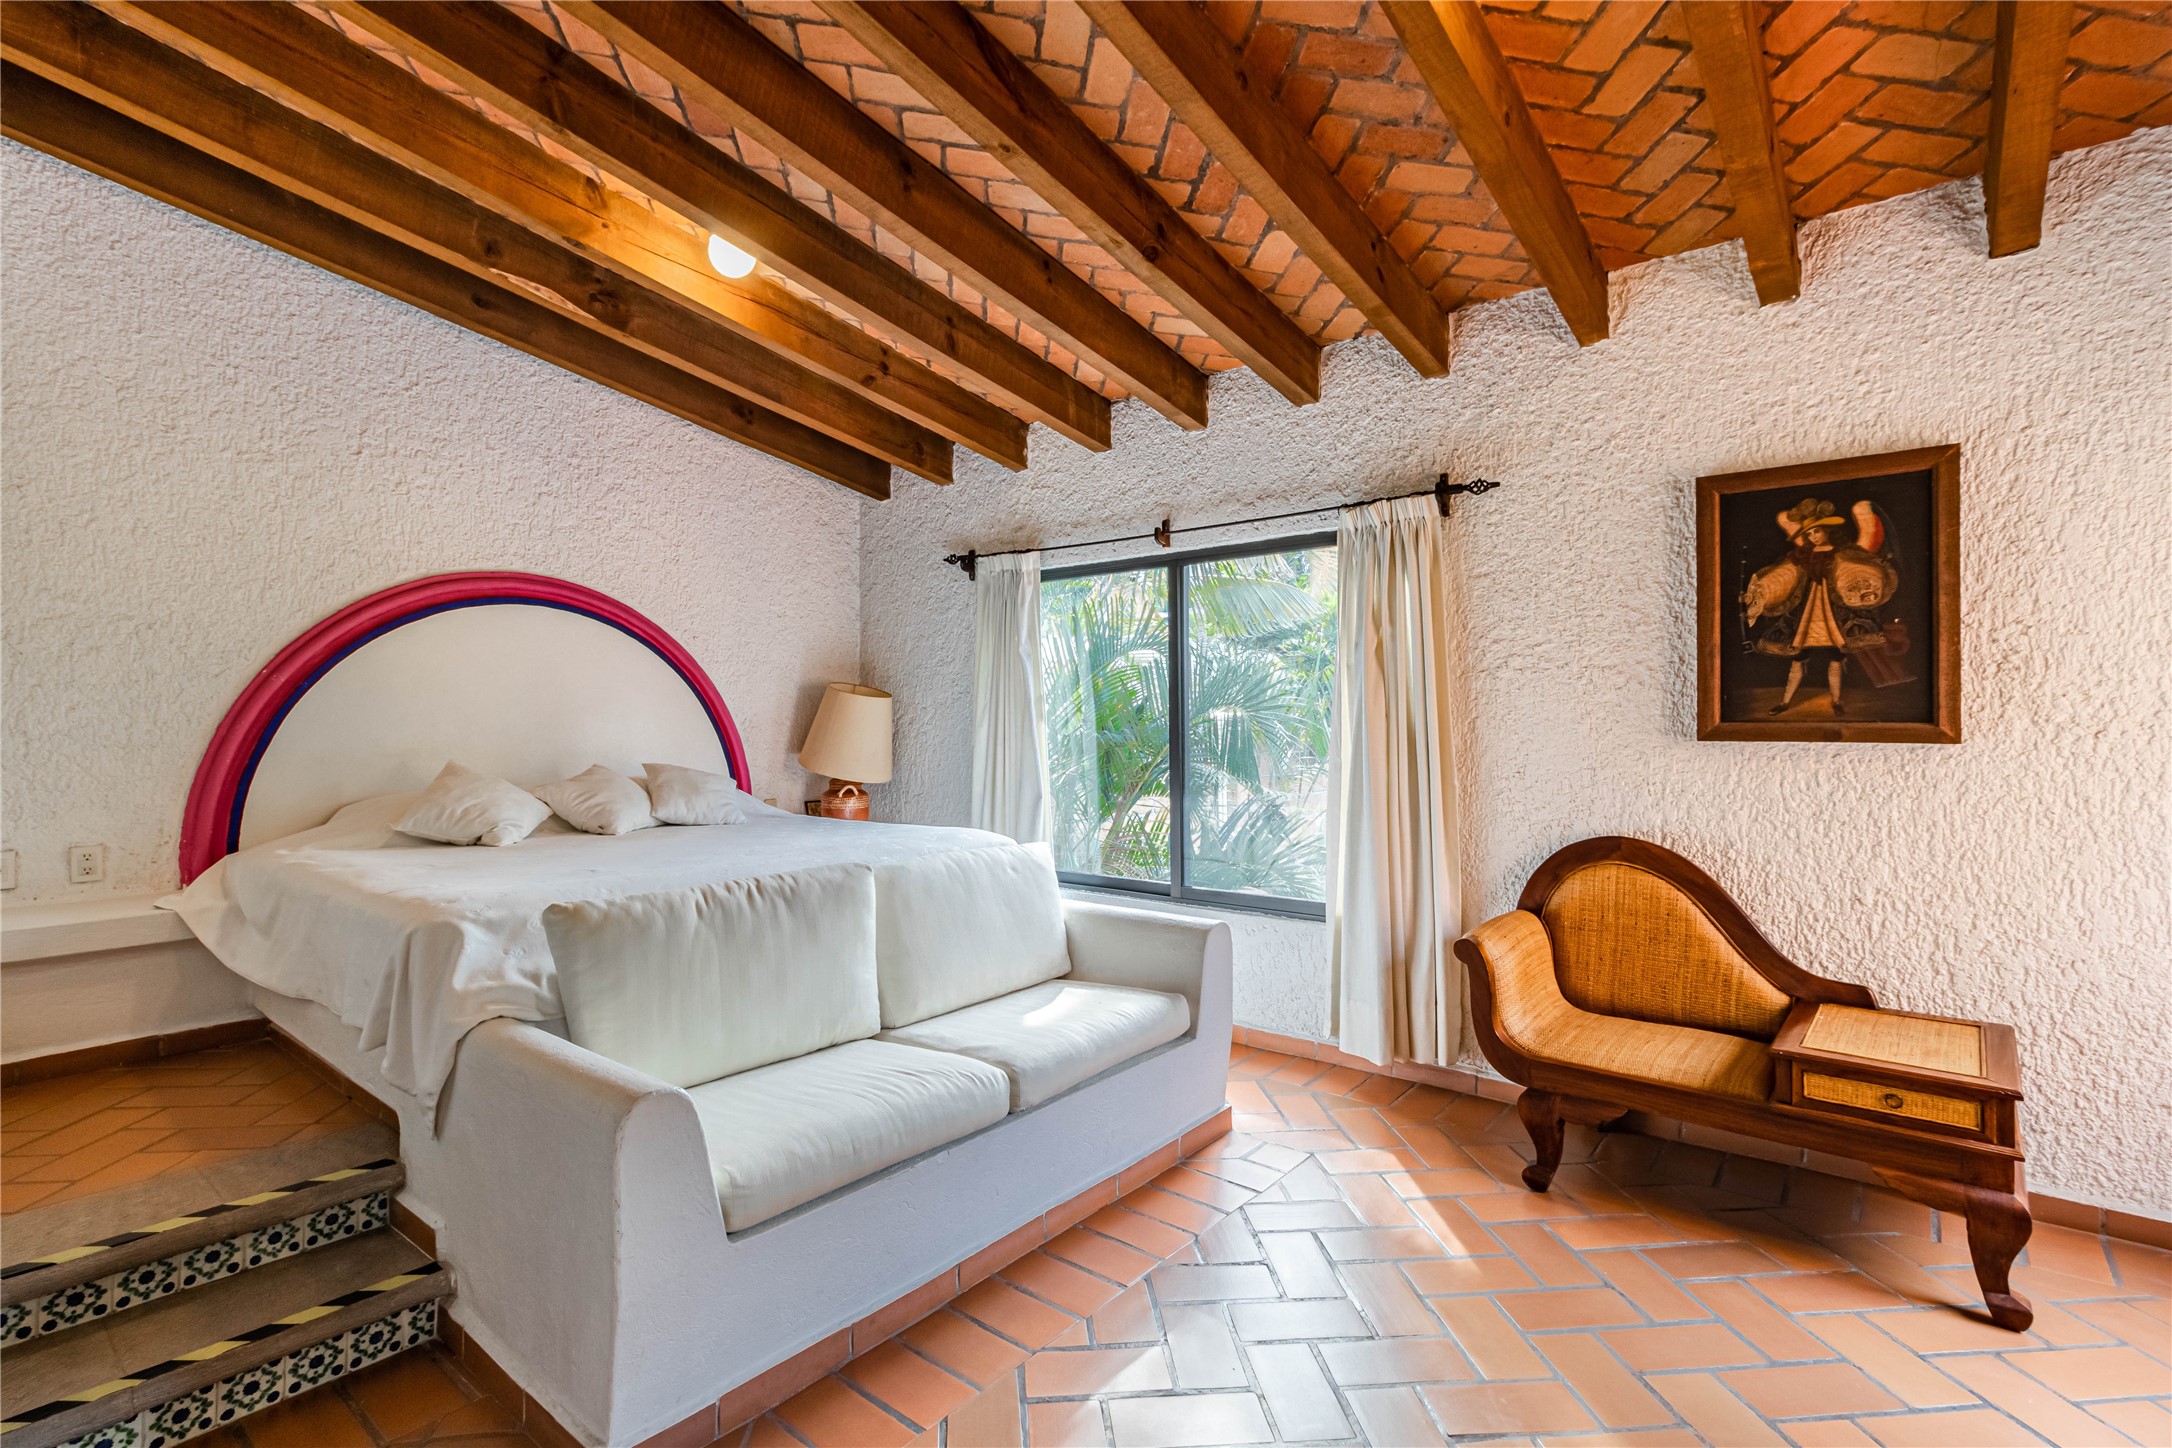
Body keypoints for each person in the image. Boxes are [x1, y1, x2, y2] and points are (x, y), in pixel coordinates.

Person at [1741, 498, 1900, 716]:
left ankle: (1836, 701)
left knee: (1835, 658)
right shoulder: (1801, 555)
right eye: (1809, 534)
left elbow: (1860, 572)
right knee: (1798, 658)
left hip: (1833, 613)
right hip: (1805, 612)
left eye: (1817, 532)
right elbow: (1782, 577)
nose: (1813, 537)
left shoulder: (1845, 552)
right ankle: (1785, 701)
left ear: (1828, 531)